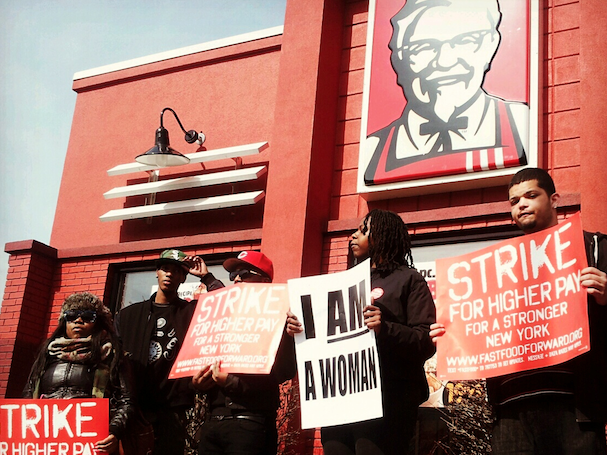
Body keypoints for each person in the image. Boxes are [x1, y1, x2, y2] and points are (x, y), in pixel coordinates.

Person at [431, 167, 607, 454]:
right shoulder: (495, 269)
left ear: (554, 199)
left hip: (574, 406)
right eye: (514, 201)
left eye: (531, 195)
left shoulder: (593, 247)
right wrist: (451, 334)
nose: (521, 204)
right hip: (511, 410)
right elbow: (481, 327)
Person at [287, 209, 436, 455]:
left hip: (388, 400)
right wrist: (299, 327)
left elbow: (425, 341)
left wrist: (384, 328)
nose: (353, 236)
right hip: (339, 400)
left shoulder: (408, 280)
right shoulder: (342, 283)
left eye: (363, 230)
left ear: (383, 236)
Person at [363, 0, 529, 186]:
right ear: (400, 58)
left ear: (491, 45)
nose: (445, 61)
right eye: (424, 47)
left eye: (465, 41)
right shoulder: (373, 151)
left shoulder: (521, 123)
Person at [116, 249, 222, 455]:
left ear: (184, 277)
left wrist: (207, 277)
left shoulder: (192, 312)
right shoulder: (129, 315)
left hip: (174, 409)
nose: (170, 274)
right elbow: (114, 362)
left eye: (177, 271)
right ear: (157, 272)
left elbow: (224, 304)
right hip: (135, 408)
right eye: (165, 269)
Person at [191, 250, 296, 455]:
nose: (236, 279)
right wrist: (196, 383)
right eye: (233, 275)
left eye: (244, 273)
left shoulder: (280, 318)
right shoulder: (220, 316)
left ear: (264, 281)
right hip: (213, 422)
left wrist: (231, 382)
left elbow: (283, 372)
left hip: (250, 423)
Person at [23, 292, 134, 454]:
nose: (78, 320)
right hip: (47, 441)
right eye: (72, 315)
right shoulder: (46, 355)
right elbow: (28, 394)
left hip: (92, 443)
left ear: (99, 323)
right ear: (64, 322)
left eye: (88, 316)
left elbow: (127, 400)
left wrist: (114, 432)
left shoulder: (113, 355)